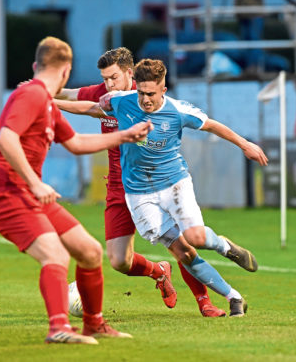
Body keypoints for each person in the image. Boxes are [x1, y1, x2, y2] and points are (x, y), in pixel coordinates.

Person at [58, 59, 268, 317]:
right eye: (142, 93)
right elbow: (89, 107)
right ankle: (233, 296)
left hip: (174, 185)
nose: (145, 100)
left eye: (151, 94)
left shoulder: (178, 110)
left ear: (163, 91)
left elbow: (211, 124)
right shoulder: (121, 101)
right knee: (181, 251)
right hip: (138, 194)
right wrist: (51, 103)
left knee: (196, 239)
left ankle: (224, 247)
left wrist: (244, 144)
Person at [0, 37, 153, 344]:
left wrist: (123, 136)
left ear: (37, 66)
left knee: (89, 252)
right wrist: (35, 182)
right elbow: (6, 139)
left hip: (31, 195)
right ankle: (58, 327)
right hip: (9, 194)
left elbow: (75, 143)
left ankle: (94, 324)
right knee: (56, 255)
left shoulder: (45, 102)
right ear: (67, 71)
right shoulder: (31, 94)